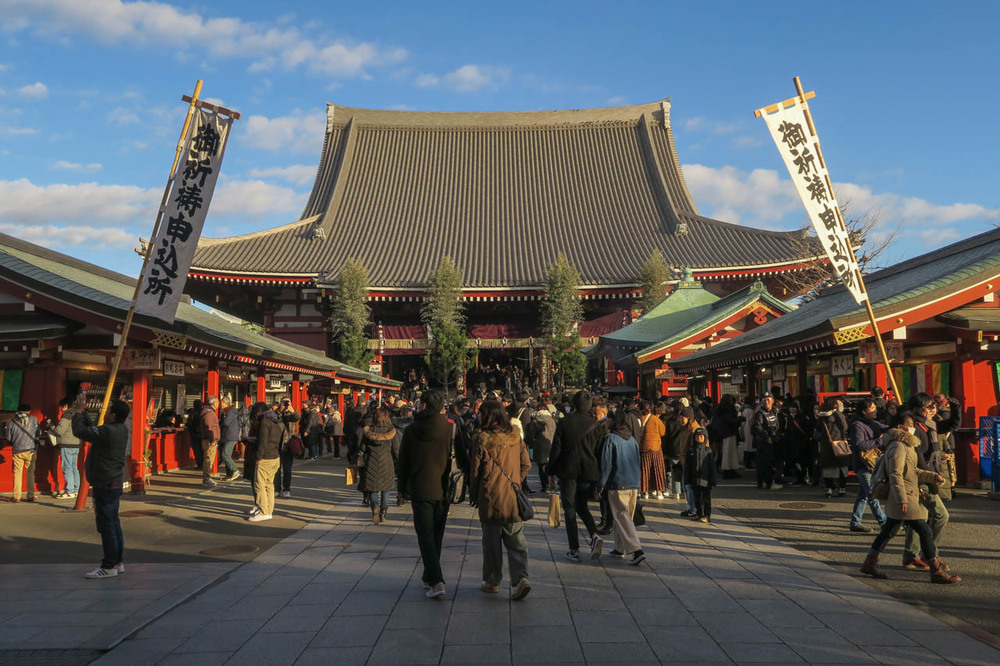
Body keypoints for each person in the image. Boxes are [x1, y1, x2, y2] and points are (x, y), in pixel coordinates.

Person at [860, 414, 960, 584]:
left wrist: (932, 476)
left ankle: (870, 561)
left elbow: (913, 471)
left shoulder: (906, 446)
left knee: (889, 530)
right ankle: (935, 570)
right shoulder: (898, 446)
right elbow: (895, 474)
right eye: (910, 425)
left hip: (906, 494)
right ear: (900, 427)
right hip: (904, 496)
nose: (913, 428)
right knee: (925, 530)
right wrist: (902, 499)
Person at [469, 400, 532, 600]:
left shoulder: (481, 439)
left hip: (489, 497)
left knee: (491, 543)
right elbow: (526, 464)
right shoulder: (515, 437)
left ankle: (492, 581)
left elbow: (475, 472)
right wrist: (516, 482)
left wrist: (474, 494)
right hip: (512, 497)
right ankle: (520, 578)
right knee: (516, 541)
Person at [397, 390, 454, 599]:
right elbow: (462, 457)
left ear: (423, 405)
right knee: (436, 534)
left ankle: (436, 580)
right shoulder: (451, 428)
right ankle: (429, 576)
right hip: (444, 487)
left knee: (425, 534)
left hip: (420, 487)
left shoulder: (412, 430)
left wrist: (401, 488)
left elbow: (403, 461)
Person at [72, 396, 130, 579]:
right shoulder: (119, 429)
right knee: (114, 523)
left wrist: (78, 411)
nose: (104, 413)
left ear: (113, 415)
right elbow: (92, 430)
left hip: (105, 482)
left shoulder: (108, 432)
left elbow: (81, 431)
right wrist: (85, 414)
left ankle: (109, 564)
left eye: (107, 411)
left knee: (106, 525)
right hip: (113, 481)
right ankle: (117, 561)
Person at [547, 390, 603, 562]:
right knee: (582, 506)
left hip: (568, 471)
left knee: (570, 510)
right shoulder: (596, 425)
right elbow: (599, 452)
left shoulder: (564, 423)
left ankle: (574, 548)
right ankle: (594, 535)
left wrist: (550, 470)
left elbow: (556, 449)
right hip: (589, 471)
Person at [902, 393, 956, 569]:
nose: (933, 409)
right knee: (941, 515)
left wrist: (955, 408)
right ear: (918, 409)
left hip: (929, 475)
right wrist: (930, 478)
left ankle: (912, 555)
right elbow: (918, 458)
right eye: (929, 406)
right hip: (921, 478)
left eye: (934, 406)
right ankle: (930, 554)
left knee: (920, 517)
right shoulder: (915, 427)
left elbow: (952, 425)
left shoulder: (930, 425)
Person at [596, 408, 645, 565]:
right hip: (633, 482)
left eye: (609, 419)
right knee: (624, 516)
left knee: (622, 516)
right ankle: (620, 547)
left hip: (618, 483)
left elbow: (606, 465)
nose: (607, 421)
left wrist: (600, 485)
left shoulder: (610, 439)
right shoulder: (631, 440)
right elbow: (638, 462)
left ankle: (636, 549)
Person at [848, 398, 887, 533]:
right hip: (863, 464)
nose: (875, 410)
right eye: (872, 408)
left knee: (863, 495)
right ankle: (885, 522)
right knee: (872, 494)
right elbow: (859, 445)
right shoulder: (857, 425)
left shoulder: (873, 423)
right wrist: (879, 441)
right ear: (864, 411)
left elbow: (886, 428)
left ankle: (855, 522)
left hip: (872, 463)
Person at [358, 407, 400, 524]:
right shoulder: (391, 432)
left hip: (371, 462)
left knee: (373, 489)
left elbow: (362, 448)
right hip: (387, 463)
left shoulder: (369, 431)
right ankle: (383, 514)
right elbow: (396, 450)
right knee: (386, 490)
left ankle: (375, 507)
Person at [249, 402, 282, 521]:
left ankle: (263, 511)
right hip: (275, 456)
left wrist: (258, 457)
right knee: (269, 484)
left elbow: (262, 442)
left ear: (259, 412)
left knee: (260, 484)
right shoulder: (276, 421)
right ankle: (269, 510)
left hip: (266, 457)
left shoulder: (264, 422)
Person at [815, 397, 850, 498]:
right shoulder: (840, 415)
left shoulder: (822, 417)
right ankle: (842, 489)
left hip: (827, 446)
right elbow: (845, 427)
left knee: (827, 468)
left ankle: (829, 489)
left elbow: (818, 429)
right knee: (842, 467)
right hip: (839, 444)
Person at [7, 404, 40, 502]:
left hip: (17, 451)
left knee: (17, 473)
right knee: (30, 473)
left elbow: (9, 438)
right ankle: (30, 495)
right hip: (31, 450)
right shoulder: (34, 419)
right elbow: (38, 433)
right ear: (29, 411)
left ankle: (16, 496)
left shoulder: (12, 422)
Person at [685, 427, 718, 523]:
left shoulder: (708, 451)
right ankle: (699, 513)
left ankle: (707, 515)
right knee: (697, 499)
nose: (699, 438)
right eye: (697, 436)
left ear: (705, 438)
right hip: (694, 479)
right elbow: (687, 467)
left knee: (706, 499)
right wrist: (687, 480)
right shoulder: (691, 451)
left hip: (706, 480)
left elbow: (712, 467)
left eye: (701, 436)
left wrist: (713, 480)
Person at [51, 398, 82, 499]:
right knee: (74, 467)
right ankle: (76, 489)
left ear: (65, 406)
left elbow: (59, 431)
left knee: (67, 467)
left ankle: (69, 491)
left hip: (67, 444)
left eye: (61, 407)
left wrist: (51, 426)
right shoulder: (78, 415)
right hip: (76, 443)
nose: (60, 410)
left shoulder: (67, 415)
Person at [751, 393, 781, 490]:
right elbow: (757, 426)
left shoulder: (773, 411)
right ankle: (768, 483)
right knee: (765, 463)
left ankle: (764, 482)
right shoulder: (761, 412)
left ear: (773, 400)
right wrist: (766, 436)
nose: (766, 402)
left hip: (773, 439)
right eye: (764, 400)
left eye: (768, 400)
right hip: (764, 441)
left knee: (768, 462)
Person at [638, 401, 667, 499]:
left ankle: (645, 491)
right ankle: (658, 492)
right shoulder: (655, 419)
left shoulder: (640, 419)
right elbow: (663, 432)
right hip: (655, 447)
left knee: (645, 471)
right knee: (657, 470)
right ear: (650, 409)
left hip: (644, 448)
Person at [275, 398, 301, 498]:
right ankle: (277, 489)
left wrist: (291, 409)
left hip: (288, 444)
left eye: (288, 402)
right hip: (277, 443)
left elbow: (298, 417)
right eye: (284, 402)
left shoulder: (292, 413)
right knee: (276, 469)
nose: (286, 404)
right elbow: (275, 419)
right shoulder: (277, 412)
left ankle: (286, 489)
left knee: (287, 469)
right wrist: (280, 410)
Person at [218, 396, 241, 481]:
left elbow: (226, 422)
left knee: (225, 454)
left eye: (221, 403)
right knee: (225, 455)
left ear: (225, 403)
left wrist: (222, 419)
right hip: (226, 436)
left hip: (231, 436)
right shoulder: (225, 412)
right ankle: (229, 474)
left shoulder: (231, 412)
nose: (220, 404)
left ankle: (235, 470)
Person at [200, 396, 221, 487]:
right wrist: (213, 439)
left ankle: (207, 478)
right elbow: (210, 427)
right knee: (209, 459)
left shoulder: (208, 412)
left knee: (209, 459)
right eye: (217, 402)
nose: (218, 404)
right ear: (214, 403)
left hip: (208, 439)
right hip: (209, 441)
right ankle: (206, 478)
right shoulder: (209, 414)